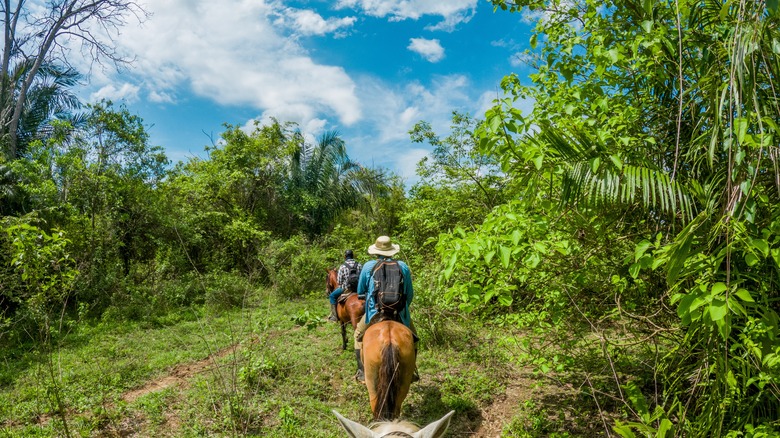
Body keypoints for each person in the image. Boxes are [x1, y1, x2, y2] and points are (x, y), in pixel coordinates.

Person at [352, 235, 417, 383]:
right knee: (414, 339)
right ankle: (411, 371)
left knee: (358, 335)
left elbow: (360, 291)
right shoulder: (403, 266)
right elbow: (409, 295)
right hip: (399, 313)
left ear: (375, 251)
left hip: (375, 314)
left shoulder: (368, 266)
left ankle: (362, 371)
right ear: (392, 251)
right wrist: (402, 310)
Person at [327, 249, 362, 322]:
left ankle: (334, 316)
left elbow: (339, 281)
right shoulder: (359, 264)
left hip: (346, 288)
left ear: (345, 256)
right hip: (358, 288)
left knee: (332, 296)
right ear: (353, 256)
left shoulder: (343, 266)